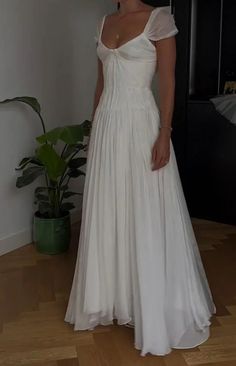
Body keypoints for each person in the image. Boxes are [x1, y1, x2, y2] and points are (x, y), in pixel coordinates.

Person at [64, 0, 216, 357]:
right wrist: (93, 129)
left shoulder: (159, 18)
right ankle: (111, 297)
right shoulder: (104, 21)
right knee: (108, 210)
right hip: (107, 124)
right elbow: (101, 83)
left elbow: (167, 80)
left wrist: (165, 132)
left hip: (141, 125)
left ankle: (153, 301)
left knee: (145, 210)